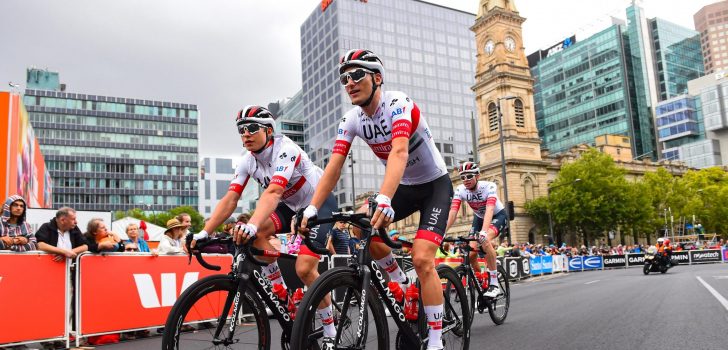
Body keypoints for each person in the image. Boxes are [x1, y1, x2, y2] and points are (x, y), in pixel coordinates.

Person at [299, 49, 452, 350]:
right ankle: (401, 282)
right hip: (405, 186)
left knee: (422, 259)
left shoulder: (398, 103)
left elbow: (399, 151)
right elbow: (333, 167)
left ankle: (435, 341)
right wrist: (312, 207)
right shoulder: (351, 119)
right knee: (360, 225)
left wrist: (384, 197)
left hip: (434, 185)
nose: (349, 82)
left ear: (377, 78)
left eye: (357, 75)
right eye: (345, 78)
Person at [190, 105, 339, 343]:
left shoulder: (285, 149)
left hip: (318, 203)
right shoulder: (248, 161)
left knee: (304, 269)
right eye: (241, 130)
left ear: (269, 131)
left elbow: (274, 190)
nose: (245, 134)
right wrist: (203, 232)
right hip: (290, 207)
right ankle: (283, 296)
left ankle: (331, 330)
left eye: (251, 128)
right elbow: (231, 198)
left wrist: (251, 223)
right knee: (255, 234)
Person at [445, 162, 508, 297]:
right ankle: (481, 282)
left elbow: (490, 209)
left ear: (478, 176)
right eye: (462, 177)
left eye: (469, 176)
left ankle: (494, 284)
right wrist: (442, 231)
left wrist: (484, 232)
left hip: (497, 216)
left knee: (485, 241)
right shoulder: (460, 190)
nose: (465, 180)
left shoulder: (489, 186)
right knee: (471, 253)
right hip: (479, 218)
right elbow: (453, 212)